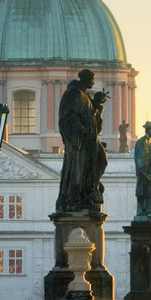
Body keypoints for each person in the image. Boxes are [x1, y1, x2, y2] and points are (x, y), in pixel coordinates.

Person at [56, 69, 108, 214]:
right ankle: (78, 196)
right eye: (92, 79)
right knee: (81, 168)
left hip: (90, 139)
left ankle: (91, 188)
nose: (93, 82)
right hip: (80, 140)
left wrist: (97, 104)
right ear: (84, 79)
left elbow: (90, 116)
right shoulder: (74, 93)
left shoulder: (84, 95)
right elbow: (68, 116)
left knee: (101, 160)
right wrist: (81, 130)